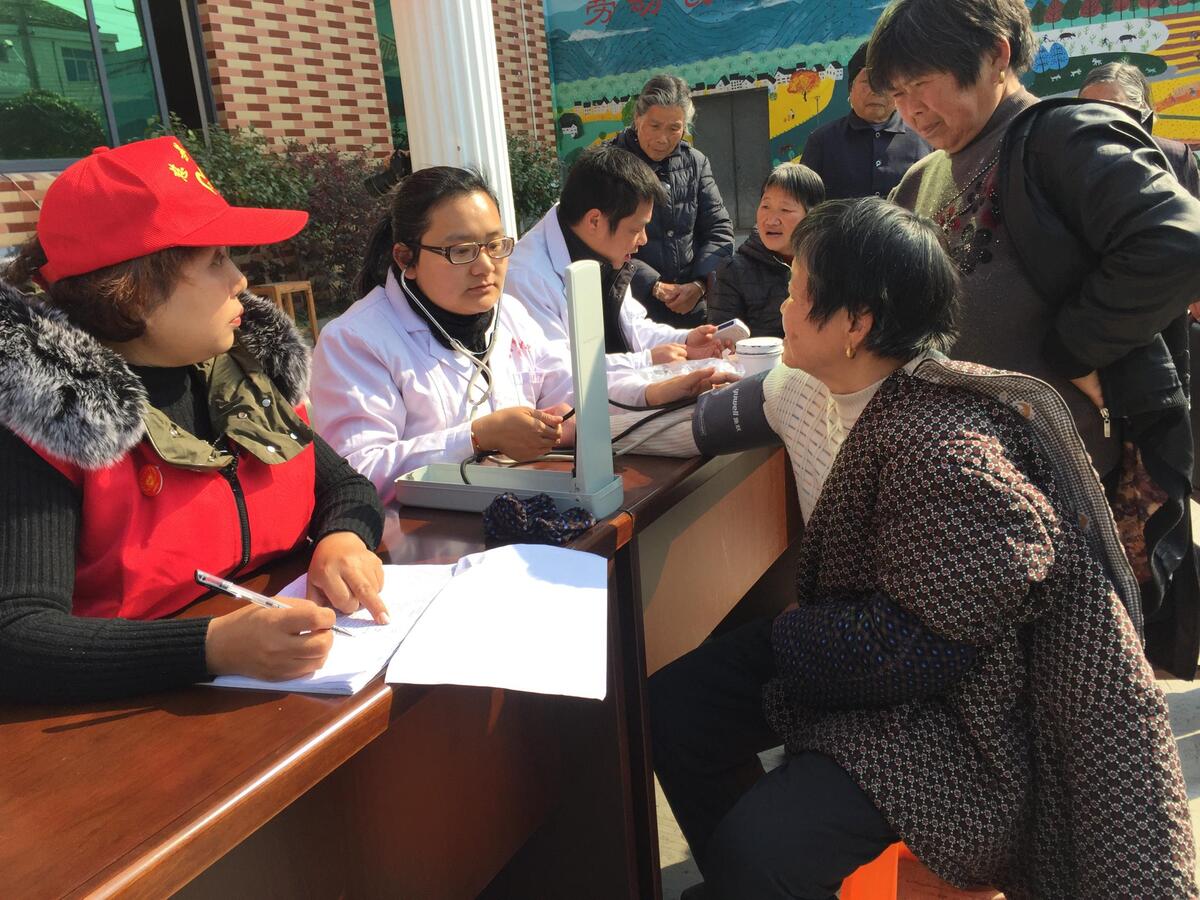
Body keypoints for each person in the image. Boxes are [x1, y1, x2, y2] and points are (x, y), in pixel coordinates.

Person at [653, 197, 1195, 900]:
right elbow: (703, 422)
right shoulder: (812, 388)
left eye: (798, 291)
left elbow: (923, 645)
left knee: (763, 848)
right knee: (674, 708)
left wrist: (793, 632)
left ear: (856, 323)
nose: (782, 307)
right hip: (874, 652)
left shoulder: (945, 446)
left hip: (961, 714)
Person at [0, 137, 388, 704]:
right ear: (133, 293)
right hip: (137, 722)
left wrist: (343, 538)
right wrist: (210, 647)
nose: (240, 280)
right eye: (215, 260)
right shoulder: (45, 423)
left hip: (292, 689)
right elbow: (16, 635)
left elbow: (345, 486)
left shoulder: (242, 372)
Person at [874, 0, 1200, 675]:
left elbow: (1176, 240)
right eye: (897, 93)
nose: (911, 110)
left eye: (922, 83)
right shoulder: (919, 180)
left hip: (1065, 495)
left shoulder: (1061, 138)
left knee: (1079, 686)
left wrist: (1075, 349)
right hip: (969, 496)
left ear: (996, 53)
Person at [310, 166, 730, 502]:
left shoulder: (506, 313)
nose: (485, 267)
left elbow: (567, 383)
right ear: (406, 258)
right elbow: (356, 473)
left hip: (516, 507)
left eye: (496, 246)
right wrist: (477, 436)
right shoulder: (356, 340)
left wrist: (654, 392)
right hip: (421, 540)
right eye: (461, 251)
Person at [506, 144, 726, 371]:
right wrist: (647, 360)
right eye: (635, 229)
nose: (643, 240)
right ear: (594, 221)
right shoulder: (526, 278)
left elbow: (631, 326)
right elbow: (556, 374)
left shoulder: (599, 249)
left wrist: (686, 340)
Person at [608, 74, 734, 328]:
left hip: (691, 308)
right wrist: (652, 285)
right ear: (637, 118)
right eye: (654, 126)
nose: (662, 138)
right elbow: (597, 241)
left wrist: (699, 285)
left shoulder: (696, 163)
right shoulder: (607, 164)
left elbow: (719, 230)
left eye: (674, 128)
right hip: (629, 309)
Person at [799, 41, 931, 200]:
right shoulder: (822, 141)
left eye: (885, 82)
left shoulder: (924, 138)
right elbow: (803, 203)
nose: (876, 90)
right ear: (851, 88)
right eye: (868, 82)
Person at [706, 162, 824, 338]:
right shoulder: (733, 270)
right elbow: (722, 343)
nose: (771, 221)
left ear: (812, 216)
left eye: (785, 209)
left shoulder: (827, 265)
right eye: (765, 206)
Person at [1079, 62, 1200, 199]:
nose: (1100, 115)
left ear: (1140, 106)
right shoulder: (1071, 162)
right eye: (1089, 108)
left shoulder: (1174, 156)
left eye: (1112, 106)